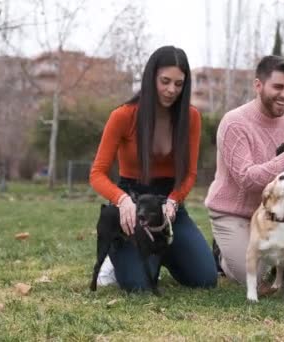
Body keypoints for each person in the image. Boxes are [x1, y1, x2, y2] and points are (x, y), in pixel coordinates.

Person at [89, 46, 217, 291]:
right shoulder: (123, 116)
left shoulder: (191, 118)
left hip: (169, 204)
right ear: (151, 78)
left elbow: (189, 173)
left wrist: (174, 201)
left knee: (205, 279)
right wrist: (122, 200)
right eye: (165, 81)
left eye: (179, 84)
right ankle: (118, 257)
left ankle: (163, 250)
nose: (171, 90)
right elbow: (97, 173)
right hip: (133, 203)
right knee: (139, 287)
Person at [204, 55, 284, 284]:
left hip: (276, 214)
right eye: (278, 87)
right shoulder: (234, 123)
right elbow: (247, 179)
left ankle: (282, 258)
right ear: (258, 85)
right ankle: (222, 256)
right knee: (255, 276)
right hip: (234, 213)